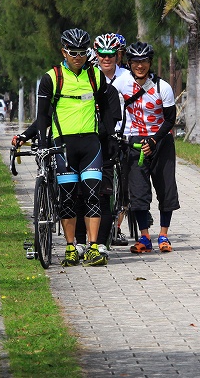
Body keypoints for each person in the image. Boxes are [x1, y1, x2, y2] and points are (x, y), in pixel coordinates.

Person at [35, 28, 121, 267]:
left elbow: (105, 108)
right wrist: (42, 142)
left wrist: (111, 137)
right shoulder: (51, 78)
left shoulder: (95, 76)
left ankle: (93, 247)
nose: (78, 57)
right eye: (73, 52)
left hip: (91, 144)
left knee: (93, 195)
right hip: (63, 145)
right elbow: (42, 115)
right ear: (63, 51)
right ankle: (72, 247)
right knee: (68, 199)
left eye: (83, 52)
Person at [111, 41, 179, 254]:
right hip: (135, 142)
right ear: (129, 63)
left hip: (161, 142)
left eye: (144, 62)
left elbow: (170, 119)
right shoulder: (121, 83)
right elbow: (109, 105)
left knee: (166, 189)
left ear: (150, 63)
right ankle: (145, 237)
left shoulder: (163, 87)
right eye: (136, 62)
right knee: (138, 193)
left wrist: (154, 140)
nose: (140, 66)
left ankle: (164, 236)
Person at [74, 33, 132, 254]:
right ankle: (79, 243)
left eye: (111, 55)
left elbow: (118, 117)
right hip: (81, 143)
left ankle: (100, 243)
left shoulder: (118, 84)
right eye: (101, 55)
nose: (106, 59)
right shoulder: (84, 81)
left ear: (116, 55)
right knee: (79, 194)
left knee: (104, 195)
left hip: (107, 144)